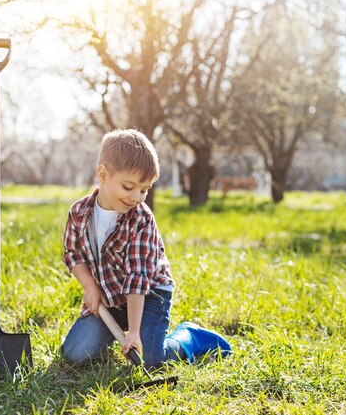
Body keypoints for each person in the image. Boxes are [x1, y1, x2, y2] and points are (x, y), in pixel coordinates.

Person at [61, 129, 232, 368]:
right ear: (103, 174)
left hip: (149, 294)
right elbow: (73, 253)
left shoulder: (141, 219)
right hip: (109, 296)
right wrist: (90, 286)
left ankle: (189, 337)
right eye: (128, 186)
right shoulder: (79, 212)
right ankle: (111, 331)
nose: (136, 197)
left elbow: (136, 279)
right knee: (75, 353)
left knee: (149, 359)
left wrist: (133, 332)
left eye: (144, 190)